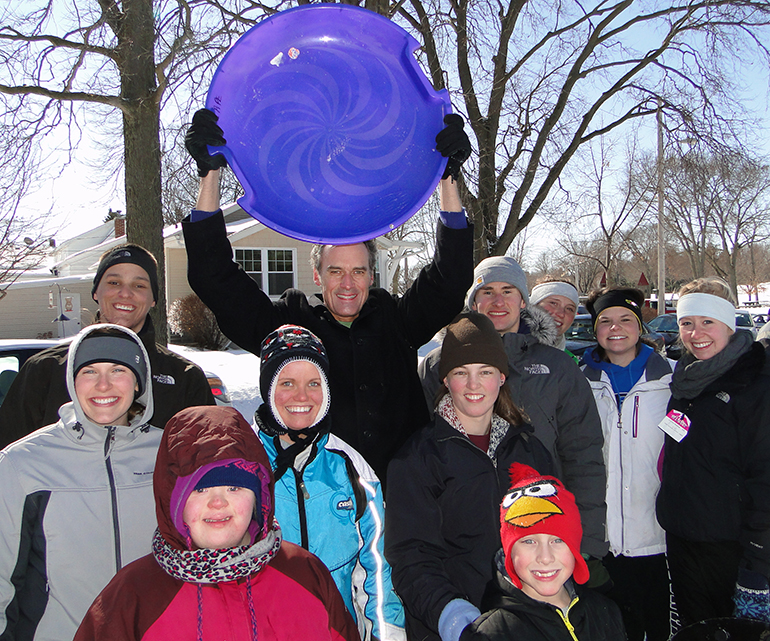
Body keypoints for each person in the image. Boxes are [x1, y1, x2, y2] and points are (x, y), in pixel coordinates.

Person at [182, 108, 474, 480]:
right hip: (315, 506)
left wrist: (447, 177)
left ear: (372, 276)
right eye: (336, 271)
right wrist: (210, 174)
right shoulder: (289, 327)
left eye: (358, 271)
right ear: (318, 276)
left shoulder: (397, 321)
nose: (348, 284)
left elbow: (451, 277)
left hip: (402, 501)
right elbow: (214, 278)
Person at [74, 405, 360, 641]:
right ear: (174, 502)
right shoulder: (135, 594)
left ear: (259, 499)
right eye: (200, 490)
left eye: (234, 489)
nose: (218, 502)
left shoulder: (304, 574)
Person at [419, 257, 608, 566]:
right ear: (473, 301)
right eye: (487, 291)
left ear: (522, 300)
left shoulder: (558, 368)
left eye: (508, 291)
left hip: (542, 528)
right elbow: (421, 450)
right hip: (461, 530)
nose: (498, 301)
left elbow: (583, 455)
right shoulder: (438, 365)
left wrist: (585, 540)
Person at [385, 312, 554, 641]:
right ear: (446, 380)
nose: (474, 385)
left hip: (525, 620)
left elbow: (552, 533)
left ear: (501, 377)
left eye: (485, 372)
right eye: (461, 372)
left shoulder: (530, 451)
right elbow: (411, 557)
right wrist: (451, 613)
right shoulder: (418, 459)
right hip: (453, 625)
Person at [0, 324, 163, 640]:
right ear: (73, 381)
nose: (103, 384)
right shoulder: (22, 463)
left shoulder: (169, 454)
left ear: (139, 382)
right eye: (89, 371)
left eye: (118, 369)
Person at [254, 324, 405, 641]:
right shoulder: (245, 468)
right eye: (287, 383)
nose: (302, 396)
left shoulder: (350, 466)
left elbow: (376, 570)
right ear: (268, 390)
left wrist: (387, 636)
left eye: (313, 383)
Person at [0, 243, 215, 449]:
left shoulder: (185, 378)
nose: (125, 293)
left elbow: (209, 466)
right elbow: (9, 456)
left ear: (153, 300)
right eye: (114, 282)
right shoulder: (45, 369)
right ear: (95, 292)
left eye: (139, 285)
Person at [656, 277, 770, 628]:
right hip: (683, 537)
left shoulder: (754, 381)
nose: (696, 333)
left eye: (708, 322)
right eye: (687, 323)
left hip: (732, 546)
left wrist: (757, 561)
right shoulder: (687, 378)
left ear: (728, 323)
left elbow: (765, 475)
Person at [581, 287, 673, 641]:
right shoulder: (579, 382)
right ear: (595, 329)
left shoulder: (672, 380)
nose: (615, 328)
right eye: (605, 321)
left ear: (639, 326)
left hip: (657, 537)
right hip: (601, 543)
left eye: (625, 319)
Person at [460, 463, 626, 641]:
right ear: (509, 551)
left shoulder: (604, 613)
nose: (545, 557)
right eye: (529, 541)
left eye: (558, 540)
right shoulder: (491, 634)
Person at [530, 278, 580, 360]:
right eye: (553, 303)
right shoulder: (507, 349)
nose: (561, 313)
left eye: (569, 309)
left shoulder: (570, 363)